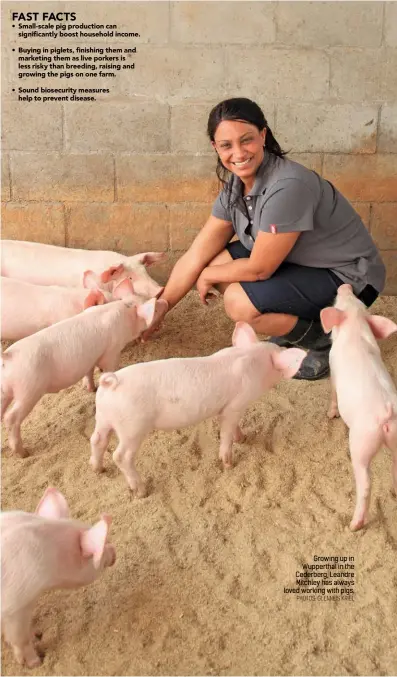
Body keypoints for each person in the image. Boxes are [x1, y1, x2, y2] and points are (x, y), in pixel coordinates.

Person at [142, 97, 386, 380]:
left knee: (239, 303)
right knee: (216, 261)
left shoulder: (287, 186)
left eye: (247, 140)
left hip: (349, 277)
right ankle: (296, 324)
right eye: (226, 145)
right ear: (215, 147)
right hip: (305, 264)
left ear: (263, 135)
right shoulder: (235, 186)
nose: (238, 152)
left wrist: (208, 274)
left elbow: (260, 268)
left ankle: (322, 341)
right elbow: (197, 254)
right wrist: (162, 305)